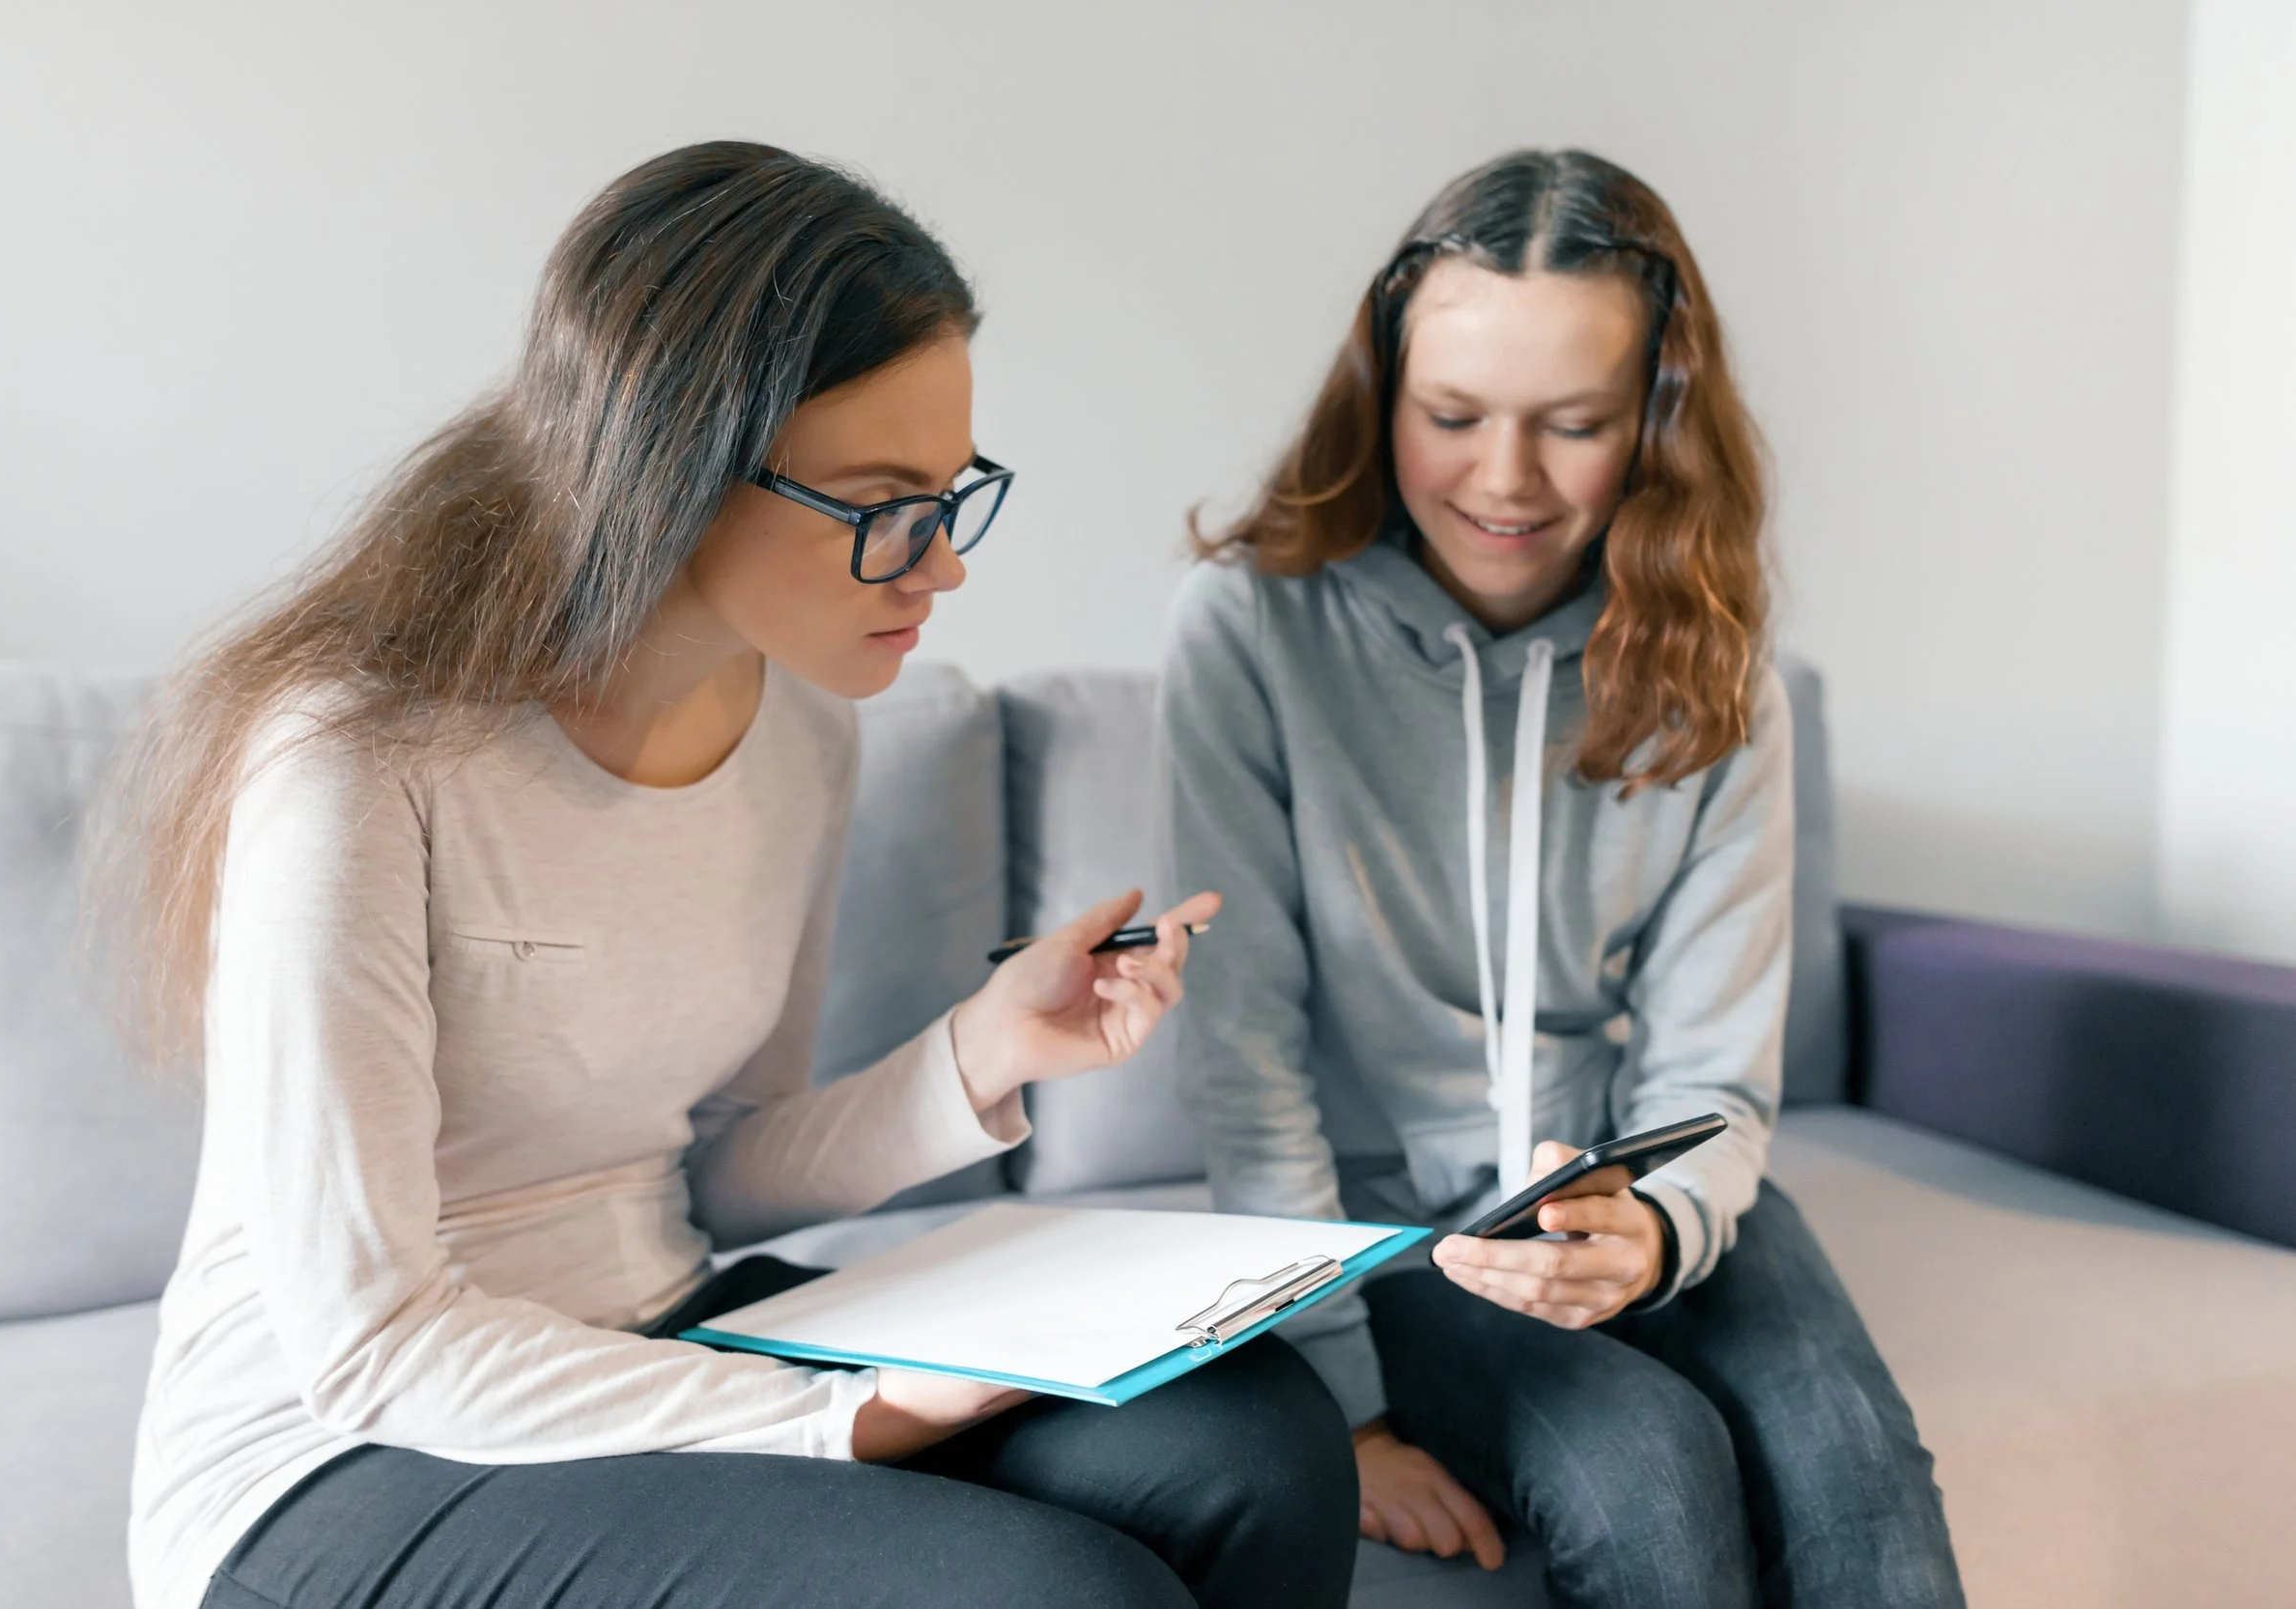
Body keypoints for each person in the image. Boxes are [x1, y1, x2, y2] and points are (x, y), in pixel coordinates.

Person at [107, 142, 1355, 1609]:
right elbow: (370, 1338)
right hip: (329, 1450)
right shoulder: (358, 759)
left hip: (656, 1319)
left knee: (1258, 1443)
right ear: (671, 466)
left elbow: (716, 1160)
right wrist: (847, 1414)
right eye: (887, 503)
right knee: (1046, 1592)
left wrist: (983, 1050)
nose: (939, 566)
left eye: (954, 495)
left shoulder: (805, 735)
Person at [1158, 148, 1967, 1607]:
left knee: (1859, 1468)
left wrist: (1653, 1230)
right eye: (1452, 415)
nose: (1506, 480)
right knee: (1642, 1471)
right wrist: (1346, 1404)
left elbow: (1716, 1076)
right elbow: (1246, 1055)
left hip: (1634, 1178)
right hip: (1391, 1229)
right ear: (1381, 392)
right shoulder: (1247, 632)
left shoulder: (1717, 670)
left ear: (1655, 420)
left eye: (1577, 424)